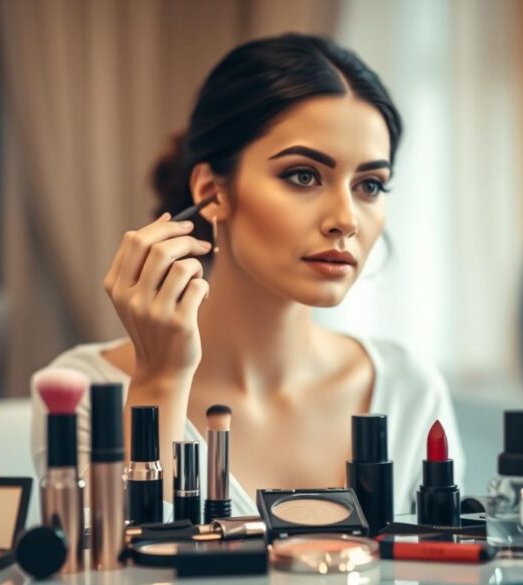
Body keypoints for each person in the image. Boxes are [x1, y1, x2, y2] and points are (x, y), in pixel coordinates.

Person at [30, 32, 464, 517]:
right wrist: (159, 380)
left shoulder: (409, 390)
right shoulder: (79, 393)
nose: (347, 218)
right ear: (213, 191)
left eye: (369, 185)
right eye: (303, 175)